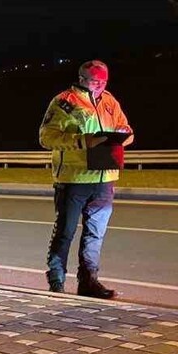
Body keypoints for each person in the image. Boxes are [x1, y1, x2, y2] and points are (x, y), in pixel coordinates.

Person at [38, 60, 133, 297]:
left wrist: (124, 136)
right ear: (81, 79)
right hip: (74, 178)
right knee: (65, 231)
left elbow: (126, 128)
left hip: (105, 177)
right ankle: (57, 280)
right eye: (95, 81)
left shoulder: (110, 101)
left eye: (104, 81)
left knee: (95, 232)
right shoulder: (64, 102)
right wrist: (83, 141)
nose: (99, 86)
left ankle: (89, 281)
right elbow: (46, 137)